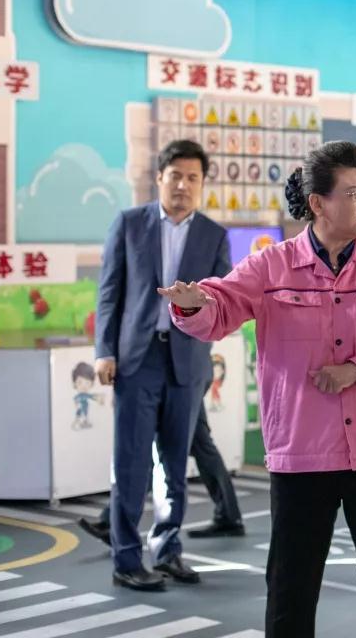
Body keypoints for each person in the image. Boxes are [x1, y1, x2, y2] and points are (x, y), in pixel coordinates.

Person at [162, 140, 356, 637]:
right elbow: (221, 306)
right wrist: (193, 303)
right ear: (317, 202)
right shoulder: (272, 266)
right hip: (302, 452)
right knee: (291, 588)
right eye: (353, 193)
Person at [95, 139, 231, 591]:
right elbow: (109, 293)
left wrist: (199, 307)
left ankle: (168, 550)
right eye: (175, 176)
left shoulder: (214, 235)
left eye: (193, 178)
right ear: (159, 178)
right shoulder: (129, 224)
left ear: (202, 184)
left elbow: (222, 301)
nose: (183, 185)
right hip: (137, 361)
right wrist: (104, 351)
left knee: (174, 465)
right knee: (131, 463)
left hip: (187, 363)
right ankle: (126, 558)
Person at [77, 401, 246, 547]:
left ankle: (115, 523)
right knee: (200, 449)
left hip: (176, 385)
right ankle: (229, 516)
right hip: (184, 384)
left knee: (164, 453)